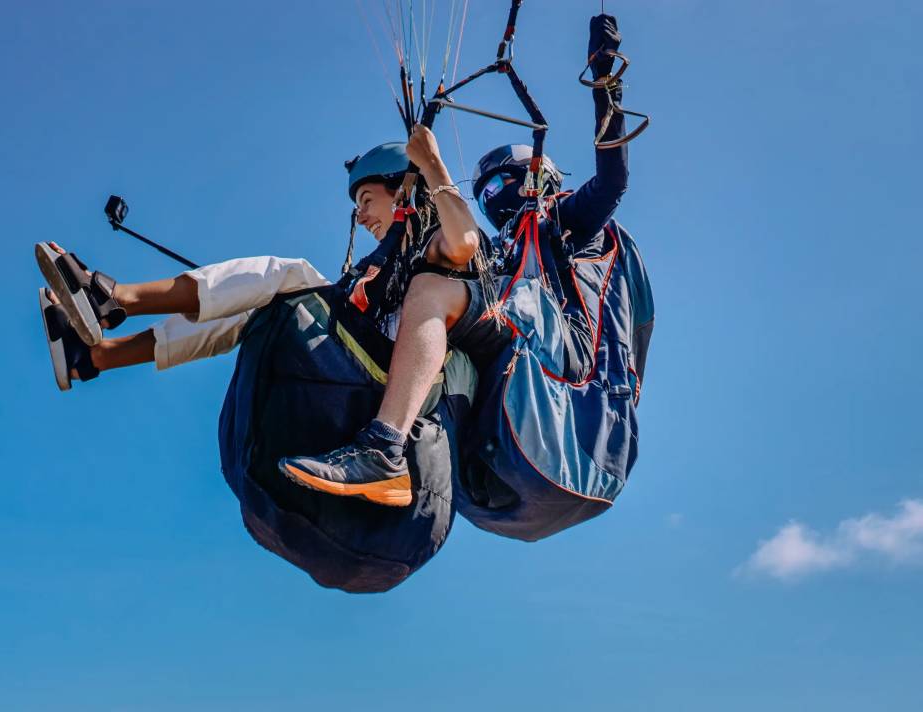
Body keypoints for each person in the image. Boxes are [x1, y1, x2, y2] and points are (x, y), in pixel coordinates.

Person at [278, 13, 632, 502]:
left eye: (501, 182)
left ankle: (384, 448)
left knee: (432, 291)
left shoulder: (563, 221)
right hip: (519, 338)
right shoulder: (506, 245)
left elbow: (613, 181)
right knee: (432, 314)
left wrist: (605, 79)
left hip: (560, 344)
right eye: (484, 190)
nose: (492, 195)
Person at [37, 125, 483, 507]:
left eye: (367, 199)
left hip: (403, 391)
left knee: (291, 275)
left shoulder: (430, 253)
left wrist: (430, 165)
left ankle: (114, 298)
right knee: (263, 307)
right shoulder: (383, 267)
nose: (361, 215)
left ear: (403, 190)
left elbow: (465, 240)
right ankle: (94, 357)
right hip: (361, 371)